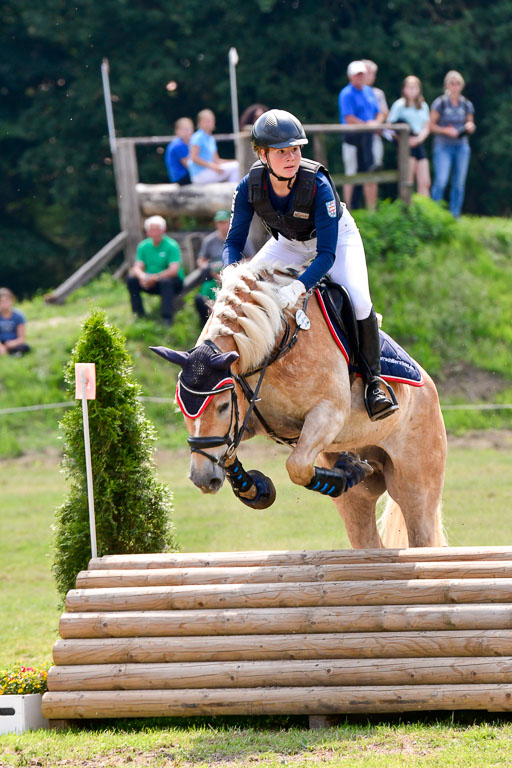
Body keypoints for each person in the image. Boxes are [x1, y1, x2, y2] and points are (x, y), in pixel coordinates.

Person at [222, 109, 397, 421]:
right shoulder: (249, 186)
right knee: (240, 288)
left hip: (336, 238)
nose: (291, 158)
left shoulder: (317, 185)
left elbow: (327, 255)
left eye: (295, 149)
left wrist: (298, 286)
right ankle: (221, 372)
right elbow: (233, 243)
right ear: (262, 155)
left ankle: (374, 383)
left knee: (358, 299)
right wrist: (230, 275)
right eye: (282, 152)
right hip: (287, 242)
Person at [430, 70, 476, 217]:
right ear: (447, 85)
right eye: (452, 83)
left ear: (461, 85)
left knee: (459, 184)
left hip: (461, 145)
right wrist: (445, 130)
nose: (455, 86)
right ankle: (435, 214)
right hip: (443, 145)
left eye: (457, 83)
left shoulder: (466, 104)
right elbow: (430, 126)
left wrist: (469, 127)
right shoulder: (440, 103)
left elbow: (471, 122)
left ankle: (454, 216)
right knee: (441, 181)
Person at [338, 61, 383, 210]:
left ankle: (371, 211)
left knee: (369, 172)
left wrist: (375, 123)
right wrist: (367, 125)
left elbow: (379, 113)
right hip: (352, 138)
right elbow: (349, 117)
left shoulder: (369, 91)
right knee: (351, 173)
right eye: (357, 75)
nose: (360, 77)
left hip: (368, 138)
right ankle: (348, 209)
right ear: (351, 76)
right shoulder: (346, 93)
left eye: (362, 74)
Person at [126, 216, 185, 326]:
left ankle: (167, 317)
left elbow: (173, 270)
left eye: (156, 230)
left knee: (165, 282)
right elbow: (137, 267)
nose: (154, 233)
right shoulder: (143, 246)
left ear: (163, 230)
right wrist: (143, 277)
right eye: (151, 230)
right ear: (147, 232)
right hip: (151, 280)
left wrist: (155, 277)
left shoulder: (171, 245)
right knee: (131, 279)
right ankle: (138, 314)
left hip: (171, 282)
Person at [388, 76, 431, 196]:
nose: (412, 90)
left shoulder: (423, 105)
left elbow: (426, 127)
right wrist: (404, 141)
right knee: (408, 179)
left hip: (419, 141)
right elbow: (390, 127)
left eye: (415, 87)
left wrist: (418, 139)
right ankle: (408, 209)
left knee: (425, 181)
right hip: (405, 144)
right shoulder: (399, 105)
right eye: (409, 87)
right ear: (404, 89)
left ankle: (426, 208)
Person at [188, 109, 239, 184]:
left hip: (209, 170)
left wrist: (233, 161)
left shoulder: (211, 138)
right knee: (236, 167)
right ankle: (234, 191)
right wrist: (212, 166)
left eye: (211, 120)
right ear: (200, 123)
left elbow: (216, 160)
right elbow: (194, 158)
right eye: (207, 121)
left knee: (237, 164)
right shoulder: (197, 137)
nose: (210, 123)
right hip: (200, 174)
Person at [361, 59, 388, 170]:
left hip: (374, 135)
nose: (372, 76)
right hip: (357, 137)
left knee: (374, 170)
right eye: (369, 73)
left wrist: (375, 124)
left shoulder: (378, 93)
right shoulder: (351, 92)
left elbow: (384, 112)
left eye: (373, 74)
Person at [0, 287, 30, 356]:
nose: (4, 303)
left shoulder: (18, 316)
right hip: (1, 343)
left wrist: (12, 343)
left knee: (25, 347)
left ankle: (12, 353)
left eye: (6, 300)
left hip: (14, 342)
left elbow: (22, 338)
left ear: (12, 300)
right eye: (1, 301)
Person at [164, 117, 193, 185]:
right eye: (185, 129)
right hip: (181, 179)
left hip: (184, 177)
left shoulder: (186, 143)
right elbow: (189, 165)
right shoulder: (178, 145)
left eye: (190, 128)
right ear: (177, 131)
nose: (189, 132)